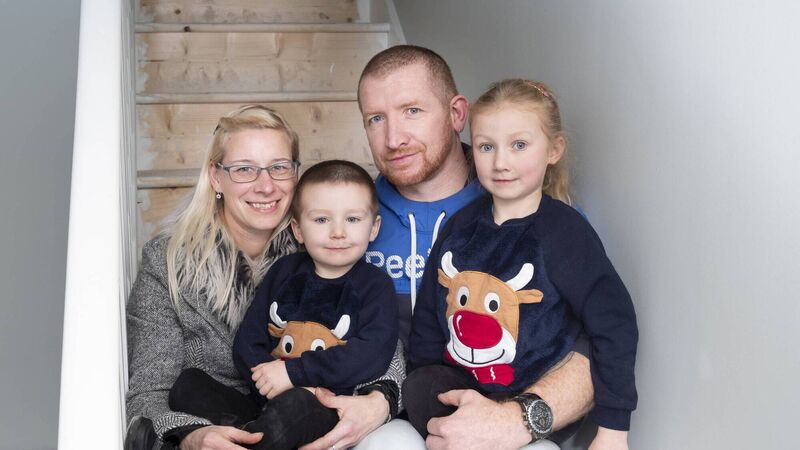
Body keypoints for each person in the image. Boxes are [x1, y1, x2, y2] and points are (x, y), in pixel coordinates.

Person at [299, 46, 595, 450]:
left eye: (412, 111)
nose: (393, 139)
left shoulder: (534, 213)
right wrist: (381, 399)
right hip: (391, 420)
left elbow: (596, 345)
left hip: (510, 417)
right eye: (375, 119)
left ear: (457, 114)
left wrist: (514, 419)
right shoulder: (345, 223)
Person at [125, 106, 404, 450]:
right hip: (225, 416)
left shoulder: (326, 248)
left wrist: (380, 400)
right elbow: (149, 394)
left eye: (279, 167)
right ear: (216, 177)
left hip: (313, 407)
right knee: (189, 384)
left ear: (296, 174)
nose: (266, 185)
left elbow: (383, 347)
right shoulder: (168, 262)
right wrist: (191, 436)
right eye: (244, 169)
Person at [405, 78, 638, 450]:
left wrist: (613, 429)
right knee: (419, 387)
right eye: (486, 146)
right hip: (460, 393)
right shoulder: (460, 227)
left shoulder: (564, 231)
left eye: (519, 145)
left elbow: (614, 323)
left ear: (553, 150)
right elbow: (429, 323)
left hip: (529, 402)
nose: (501, 163)